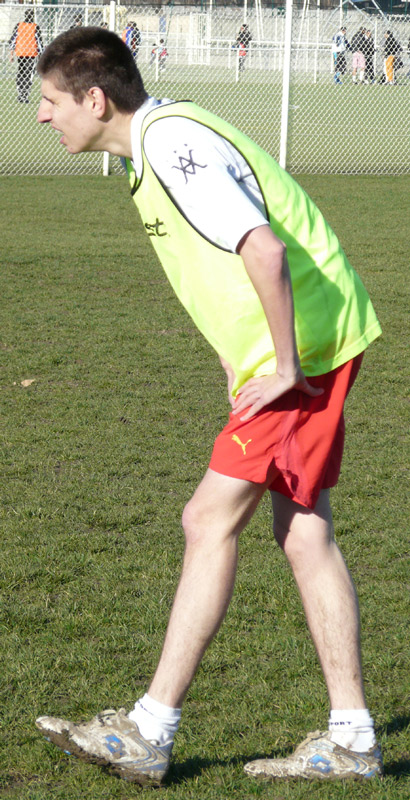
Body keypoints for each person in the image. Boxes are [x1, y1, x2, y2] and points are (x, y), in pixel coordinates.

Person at [35, 27, 383, 787]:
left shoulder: (171, 144)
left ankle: (150, 729)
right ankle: (353, 738)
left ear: (94, 99)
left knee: (208, 520)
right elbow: (219, 266)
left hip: (304, 355)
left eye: (52, 100)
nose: (42, 115)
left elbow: (263, 248)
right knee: (304, 530)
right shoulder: (153, 149)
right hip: (308, 344)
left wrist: (283, 366)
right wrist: (237, 355)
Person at [8, 8, 43, 103]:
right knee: (28, 74)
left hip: (21, 52)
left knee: (21, 72)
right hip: (31, 53)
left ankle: (21, 93)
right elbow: (39, 43)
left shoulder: (19, 26)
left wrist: (11, 54)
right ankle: (24, 95)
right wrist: (40, 55)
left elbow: (13, 40)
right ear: (33, 16)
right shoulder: (35, 27)